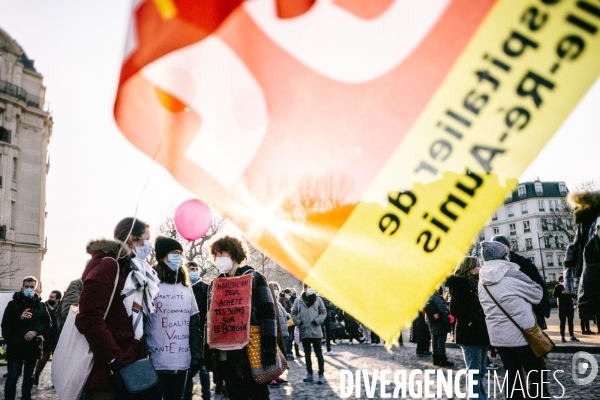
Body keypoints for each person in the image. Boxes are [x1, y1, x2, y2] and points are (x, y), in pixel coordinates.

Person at [75, 217, 159, 399]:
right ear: (132, 239)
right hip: (107, 373)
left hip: (129, 365)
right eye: (146, 239)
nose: (149, 245)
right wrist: (115, 356)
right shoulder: (108, 265)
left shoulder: (133, 269)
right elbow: (89, 317)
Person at [209, 236, 276, 400]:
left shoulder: (255, 278)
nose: (218, 258)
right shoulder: (216, 284)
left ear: (233, 253)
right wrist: (212, 357)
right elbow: (210, 321)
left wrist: (268, 351)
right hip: (227, 356)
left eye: (221, 253)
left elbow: (268, 315)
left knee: (259, 394)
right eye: (215, 254)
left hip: (251, 352)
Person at [478, 241, 546, 400]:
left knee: (513, 374)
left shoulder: (482, 280)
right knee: (536, 373)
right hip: (523, 334)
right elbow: (537, 294)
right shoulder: (513, 274)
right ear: (504, 255)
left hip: (499, 338)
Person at [145, 237, 202, 400]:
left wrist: (196, 356)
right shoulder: (150, 283)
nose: (178, 256)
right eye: (173, 253)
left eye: (180, 253)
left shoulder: (186, 287)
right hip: (155, 363)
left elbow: (194, 324)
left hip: (182, 363)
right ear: (163, 256)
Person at [446, 257, 489, 400]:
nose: (480, 268)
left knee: (481, 369)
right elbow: (455, 309)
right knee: (474, 370)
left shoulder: (474, 284)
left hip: (479, 331)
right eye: (477, 266)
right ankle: (476, 397)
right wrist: (474, 319)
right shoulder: (461, 286)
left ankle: (479, 396)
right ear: (470, 269)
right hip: (470, 332)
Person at [1, 276, 51, 400]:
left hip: (32, 346)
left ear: (36, 289)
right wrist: (20, 318)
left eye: (32, 287)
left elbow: (47, 323)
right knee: (12, 376)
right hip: (15, 346)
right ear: (22, 288)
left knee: (29, 377)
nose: (29, 289)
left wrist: (35, 331)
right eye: (27, 287)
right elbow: (5, 323)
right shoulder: (13, 304)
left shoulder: (40, 305)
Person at [492, 235, 550, 329]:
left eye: (502, 246)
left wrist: (544, 309)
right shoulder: (491, 269)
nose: (500, 250)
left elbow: (540, 286)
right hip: (506, 317)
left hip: (531, 312)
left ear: (510, 247)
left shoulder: (525, 264)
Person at [184, 261, 211, 400]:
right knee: (188, 367)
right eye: (191, 269)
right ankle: (187, 394)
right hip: (188, 332)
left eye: (195, 269)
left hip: (204, 332)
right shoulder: (184, 288)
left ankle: (207, 394)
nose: (193, 271)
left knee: (203, 367)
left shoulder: (206, 288)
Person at [291, 284, 327, 384]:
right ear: (305, 288)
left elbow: (323, 312)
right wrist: (299, 322)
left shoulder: (318, 300)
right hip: (305, 331)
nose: (311, 289)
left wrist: (318, 321)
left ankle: (321, 374)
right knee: (307, 354)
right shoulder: (298, 300)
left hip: (316, 332)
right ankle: (309, 373)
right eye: (309, 287)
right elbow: (293, 313)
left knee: (319, 354)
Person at [33, 290, 62, 385]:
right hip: (46, 338)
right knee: (42, 359)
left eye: (52, 297)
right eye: (50, 296)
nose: (50, 298)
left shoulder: (61, 308)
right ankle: (36, 376)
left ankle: (56, 381)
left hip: (58, 338)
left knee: (57, 363)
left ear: (58, 299)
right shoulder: (43, 306)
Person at [267, 282, 289, 388]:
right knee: (274, 356)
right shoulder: (268, 300)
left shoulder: (277, 302)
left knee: (279, 356)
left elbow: (284, 314)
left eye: (276, 288)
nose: (275, 289)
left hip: (281, 331)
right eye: (273, 288)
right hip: (274, 331)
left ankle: (277, 376)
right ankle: (271, 378)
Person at [424, 288, 454, 367]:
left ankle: (435, 359)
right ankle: (442, 359)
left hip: (432, 321)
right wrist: (446, 320)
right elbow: (442, 308)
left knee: (434, 339)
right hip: (439, 321)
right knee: (441, 340)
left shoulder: (427, 296)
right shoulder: (435, 296)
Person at [553, 276, 579, 342]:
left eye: (563, 280)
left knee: (570, 322)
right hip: (562, 307)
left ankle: (571, 336)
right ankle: (562, 337)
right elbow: (554, 295)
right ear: (559, 281)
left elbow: (574, 295)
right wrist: (561, 293)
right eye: (561, 281)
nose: (563, 282)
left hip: (569, 306)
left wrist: (568, 294)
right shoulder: (557, 287)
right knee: (562, 322)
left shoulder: (569, 286)